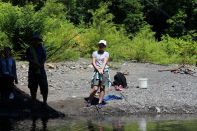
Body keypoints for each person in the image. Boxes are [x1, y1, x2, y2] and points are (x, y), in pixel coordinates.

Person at [87, 40, 110, 108]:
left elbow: (105, 62)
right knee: (95, 88)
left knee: (102, 88)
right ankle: (89, 100)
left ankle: (99, 102)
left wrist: (102, 69)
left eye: (103, 45)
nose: (101, 46)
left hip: (104, 71)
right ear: (98, 45)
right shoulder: (95, 53)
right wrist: (98, 69)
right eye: (100, 45)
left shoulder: (106, 53)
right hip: (97, 72)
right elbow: (93, 62)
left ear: (105, 46)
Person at [26, 33, 48, 105]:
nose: (35, 41)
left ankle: (44, 102)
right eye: (34, 40)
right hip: (32, 70)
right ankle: (34, 101)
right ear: (32, 40)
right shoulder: (29, 49)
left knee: (44, 86)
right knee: (32, 87)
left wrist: (40, 65)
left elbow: (44, 58)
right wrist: (35, 65)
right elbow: (29, 59)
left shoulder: (42, 48)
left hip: (41, 70)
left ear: (39, 41)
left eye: (37, 40)